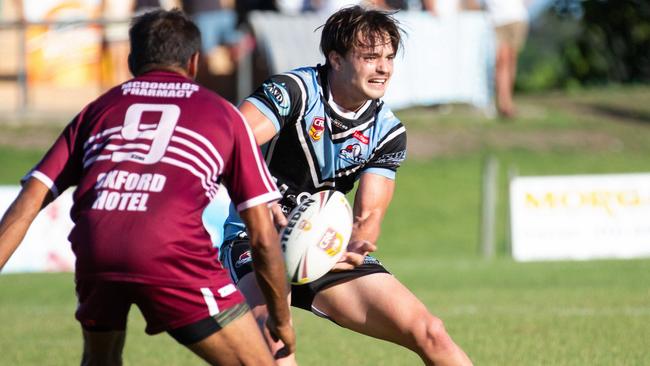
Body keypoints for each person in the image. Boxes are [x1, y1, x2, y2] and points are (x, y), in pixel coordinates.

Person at [0, 9, 294, 366]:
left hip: (97, 249)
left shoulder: (96, 111)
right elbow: (262, 235)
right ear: (194, 62)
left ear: (130, 60)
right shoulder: (224, 115)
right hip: (171, 252)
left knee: (100, 360)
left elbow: (29, 202)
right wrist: (281, 318)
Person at [217, 5, 473, 365]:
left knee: (430, 331)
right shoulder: (294, 91)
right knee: (275, 349)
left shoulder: (386, 131)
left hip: (321, 247)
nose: (383, 68)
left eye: (388, 57)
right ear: (336, 59)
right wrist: (263, 198)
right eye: (370, 57)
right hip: (254, 239)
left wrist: (355, 241)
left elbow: (369, 216)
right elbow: (230, 140)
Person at [484, 0, 529, 118]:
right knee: (501, 60)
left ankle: (508, 99)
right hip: (495, 20)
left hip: (516, 17)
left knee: (511, 60)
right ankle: (503, 103)